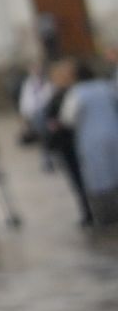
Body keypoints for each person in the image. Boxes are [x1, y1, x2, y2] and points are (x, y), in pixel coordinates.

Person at [59, 60, 118, 226]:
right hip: (114, 132)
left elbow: (68, 118)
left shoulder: (77, 92)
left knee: (98, 176)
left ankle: (106, 215)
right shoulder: (107, 86)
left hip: (90, 138)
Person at [43, 58, 96, 228]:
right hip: (66, 143)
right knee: (77, 178)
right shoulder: (56, 93)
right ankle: (87, 209)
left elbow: (68, 118)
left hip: (76, 140)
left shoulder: (74, 93)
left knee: (85, 176)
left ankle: (92, 209)